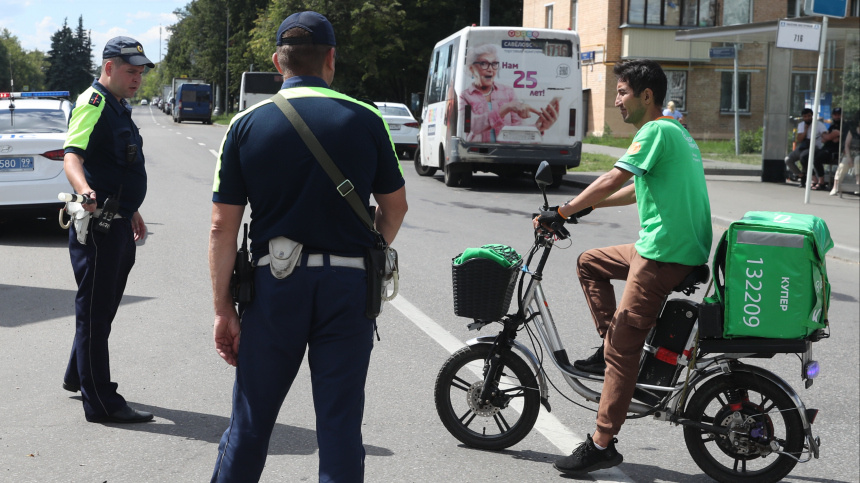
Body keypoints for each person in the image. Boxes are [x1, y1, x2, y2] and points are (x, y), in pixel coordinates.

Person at [208, 11, 407, 483]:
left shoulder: (245, 124)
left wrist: (223, 307)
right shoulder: (367, 118)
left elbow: (222, 226)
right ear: (331, 59)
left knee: (252, 420)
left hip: (273, 287)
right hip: (349, 286)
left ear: (280, 62)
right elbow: (395, 208)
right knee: (339, 426)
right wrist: (369, 249)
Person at [533, 59, 712, 476]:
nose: (616, 101)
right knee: (590, 262)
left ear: (646, 96)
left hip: (663, 253)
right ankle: (610, 348)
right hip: (669, 247)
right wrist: (580, 210)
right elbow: (633, 190)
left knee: (622, 350)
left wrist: (562, 209)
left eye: (621, 93)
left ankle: (601, 442)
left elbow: (613, 179)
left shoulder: (655, 130)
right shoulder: (675, 133)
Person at [61, 37, 154, 423]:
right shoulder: (93, 103)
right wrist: (84, 191)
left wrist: (131, 209)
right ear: (109, 67)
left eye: (141, 73)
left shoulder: (118, 105)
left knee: (102, 307)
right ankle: (100, 401)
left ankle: (76, 376)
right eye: (131, 71)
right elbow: (72, 155)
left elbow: (119, 163)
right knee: (95, 312)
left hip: (118, 220)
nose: (137, 79)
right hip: (98, 226)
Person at [459, 43, 558, 142]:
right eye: (484, 64)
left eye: (494, 64)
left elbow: (517, 130)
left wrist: (538, 127)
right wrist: (506, 108)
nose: (490, 69)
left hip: (505, 151)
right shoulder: (465, 96)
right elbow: (473, 126)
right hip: (477, 152)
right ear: (471, 68)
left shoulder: (507, 92)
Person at [785, 108, 828, 187]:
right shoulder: (801, 125)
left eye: (809, 116)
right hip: (803, 147)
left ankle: (813, 178)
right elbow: (799, 139)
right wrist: (805, 130)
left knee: (803, 157)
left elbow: (825, 135)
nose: (807, 118)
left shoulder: (819, 124)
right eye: (805, 116)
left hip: (815, 147)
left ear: (812, 116)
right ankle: (801, 175)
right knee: (788, 159)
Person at [812, 107, 844, 190]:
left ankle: (821, 182)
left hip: (835, 152)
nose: (837, 116)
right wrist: (830, 136)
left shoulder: (844, 126)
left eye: (839, 115)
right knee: (807, 156)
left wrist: (828, 136)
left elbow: (829, 137)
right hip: (826, 148)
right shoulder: (832, 126)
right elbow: (824, 140)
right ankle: (814, 180)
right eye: (835, 115)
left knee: (817, 158)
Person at [832, 113, 860, 196]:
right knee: (843, 164)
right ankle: (835, 186)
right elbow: (846, 145)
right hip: (850, 153)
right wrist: (849, 157)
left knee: (858, 159)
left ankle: (858, 184)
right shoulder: (852, 131)